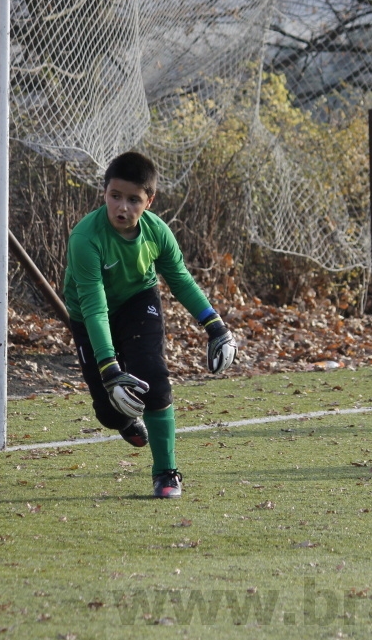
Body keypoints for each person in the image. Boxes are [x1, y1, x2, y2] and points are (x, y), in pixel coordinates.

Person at [63, 151, 238, 498]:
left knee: (155, 383)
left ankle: (166, 473)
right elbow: (96, 309)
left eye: (133, 200)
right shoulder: (86, 238)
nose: (122, 208)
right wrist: (110, 369)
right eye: (115, 196)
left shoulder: (157, 232)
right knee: (109, 411)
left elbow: (181, 280)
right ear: (104, 193)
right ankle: (124, 422)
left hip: (138, 302)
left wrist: (215, 326)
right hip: (89, 315)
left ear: (150, 200)